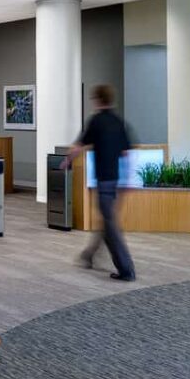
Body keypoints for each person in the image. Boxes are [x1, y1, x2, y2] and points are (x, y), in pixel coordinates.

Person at [64, 85, 136, 281]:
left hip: (103, 181)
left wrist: (67, 160)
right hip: (116, 181)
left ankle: (126, 269)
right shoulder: (119, 122)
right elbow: (126, 154)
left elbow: (79, 146)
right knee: (107, 220)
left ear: (98, 100)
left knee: (110, 225)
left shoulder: (96, 121)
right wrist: (128, 181)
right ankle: (88, 255)